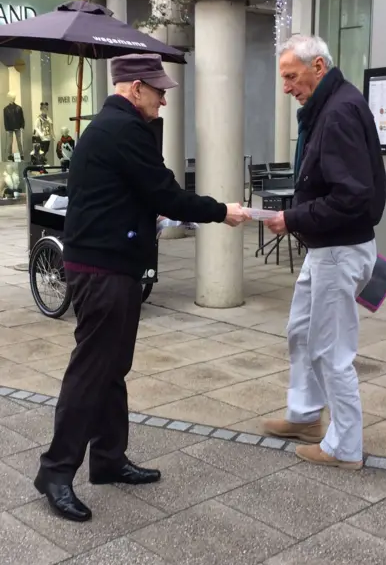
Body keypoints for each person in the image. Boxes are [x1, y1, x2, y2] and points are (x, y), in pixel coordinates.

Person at [35, 53, 248, 522]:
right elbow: (166, 193)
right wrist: (222, 211)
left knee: (112, 368)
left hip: (107, 265)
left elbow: (141, 194)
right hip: (103, 269)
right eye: (159, 90)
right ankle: (54, 471)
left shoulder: (109, 127)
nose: (165, 98)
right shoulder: (125, 130)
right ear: (134, 87)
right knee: (91, 371)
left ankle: (109, 460)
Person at [262, 35, 386, 469]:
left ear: (318, 66)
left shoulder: (337, 113)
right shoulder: (330, 106)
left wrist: (293, 219)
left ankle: (345, 447)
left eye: (291, 76)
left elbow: (352, 195)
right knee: (300, 332)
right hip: (328, 248)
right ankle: (305, 416)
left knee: (331, 352)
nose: (286, 87)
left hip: (340, 249)